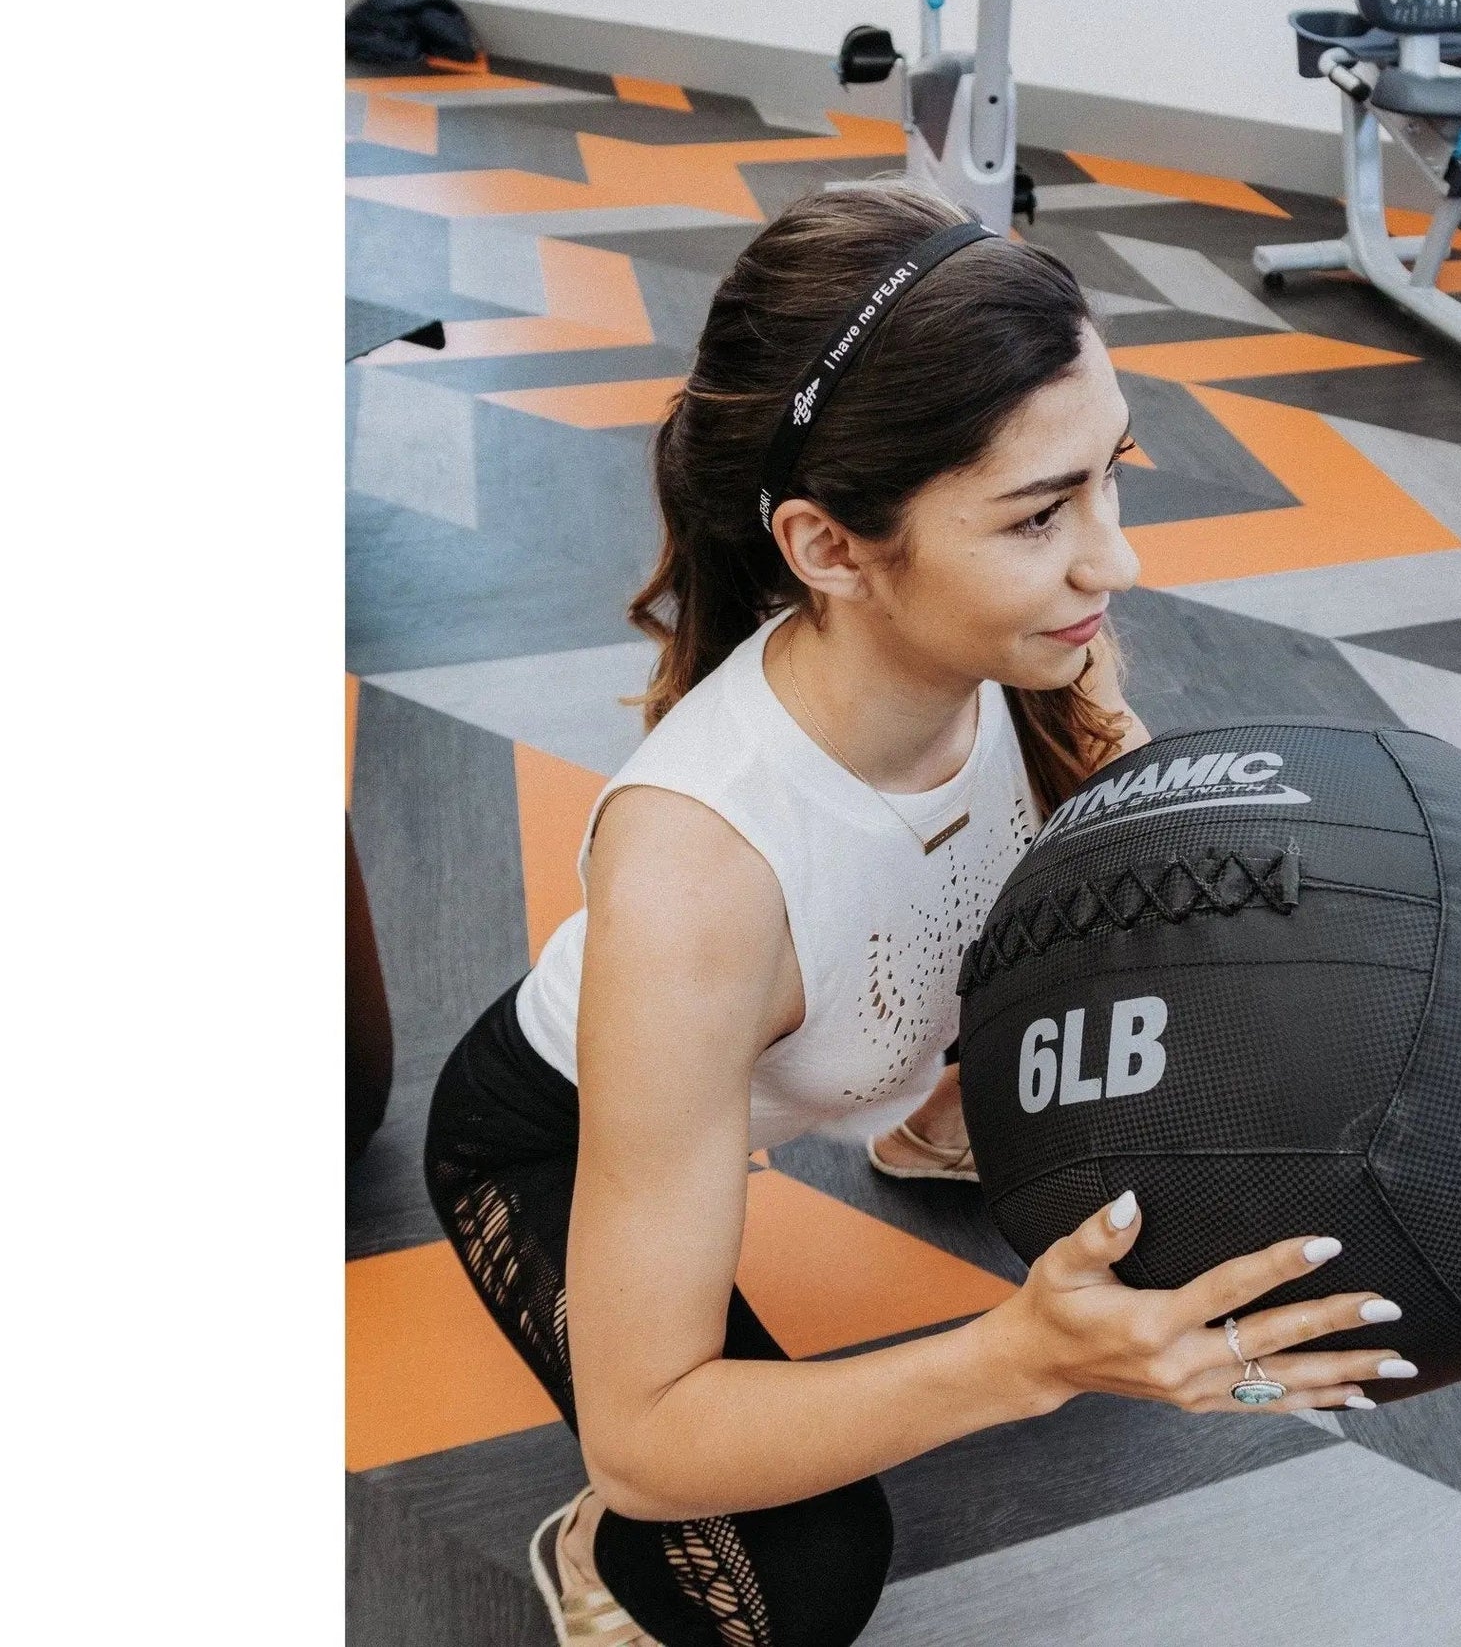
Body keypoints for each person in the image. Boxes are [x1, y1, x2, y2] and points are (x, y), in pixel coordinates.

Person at [423, 185, 1409, 1647]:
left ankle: (925, 1116)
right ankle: (588, 1562)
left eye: (1107, 475)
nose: (1112, 558)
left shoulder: (1025, 649)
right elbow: (649, 1435)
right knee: (802, 1573)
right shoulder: (696, 872)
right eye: (1037, 513)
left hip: (866, 1051)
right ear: (829, 549)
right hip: (547, 1131)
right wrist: (1025, 1355)